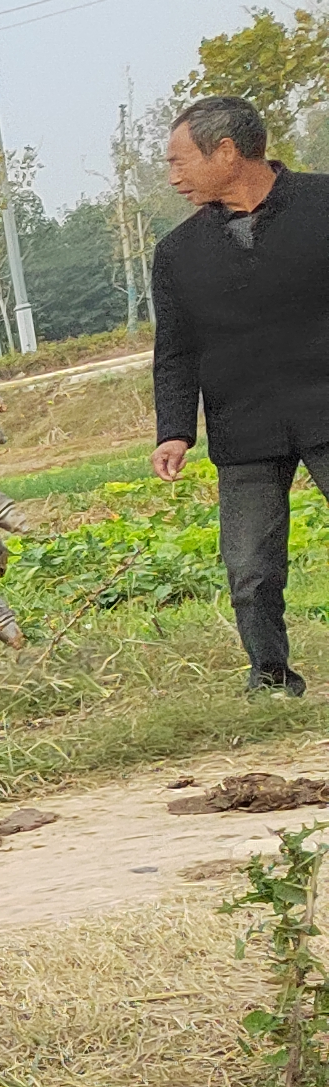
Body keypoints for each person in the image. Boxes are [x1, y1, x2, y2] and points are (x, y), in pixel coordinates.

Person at [152, 91, 329, 698]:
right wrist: (175, 429)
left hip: (327, 409)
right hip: (244, 425)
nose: (174, 176)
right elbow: (174, 349)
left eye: (180, 162)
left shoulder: (323, 205)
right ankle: (271, 678)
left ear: (226, 151)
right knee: (250, 569)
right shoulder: (177, 253)